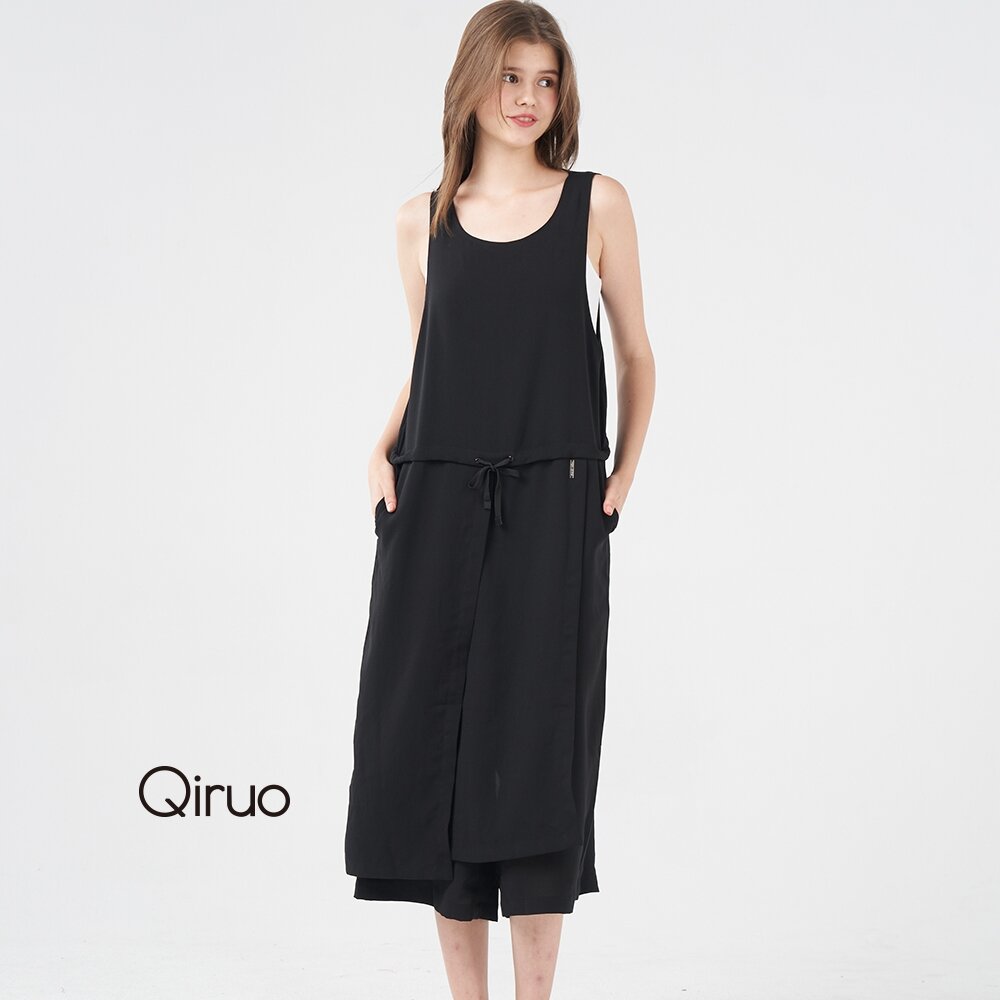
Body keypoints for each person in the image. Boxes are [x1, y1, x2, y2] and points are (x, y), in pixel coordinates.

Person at [344, 2, 655, 996]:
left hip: (555, 506)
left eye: (545, 80)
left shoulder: (595, 204)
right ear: (472, 83)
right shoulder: (420, 220)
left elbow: (636, 354)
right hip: (433, 496)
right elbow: (428, 354)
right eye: (510, 76)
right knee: (429, 745)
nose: (528, 98)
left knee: (538, 752)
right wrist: (380, 446)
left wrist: (618, 478)